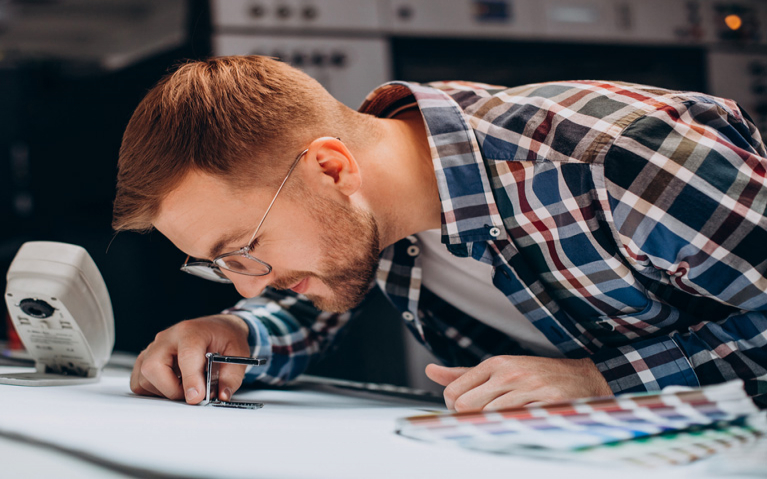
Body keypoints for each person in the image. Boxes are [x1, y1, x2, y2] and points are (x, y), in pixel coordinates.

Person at [113, 55, 767, 412]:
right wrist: (237, 332)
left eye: (240, 250)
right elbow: (311, 291)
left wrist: (598, 380)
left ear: (330, 167)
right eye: (216, 264)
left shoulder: (622, 155)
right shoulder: (379, 193)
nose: (244, 281)